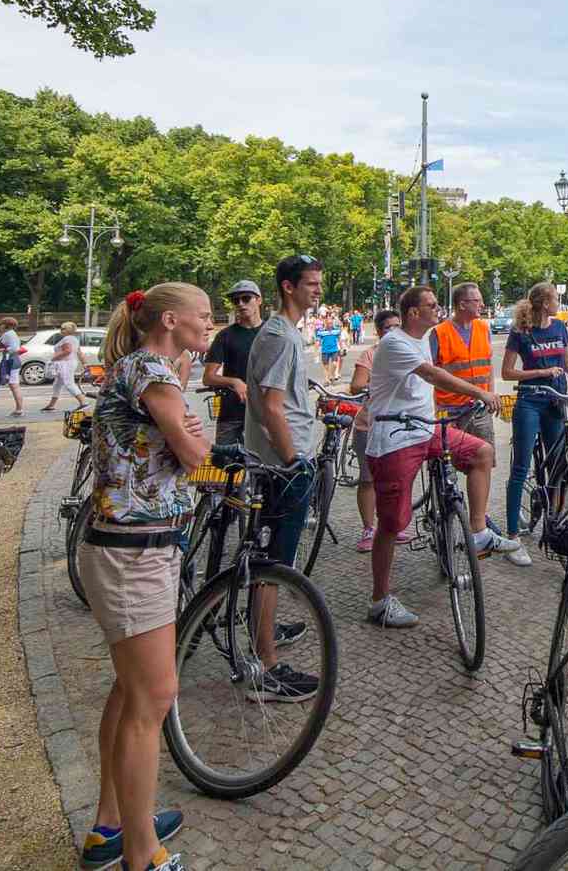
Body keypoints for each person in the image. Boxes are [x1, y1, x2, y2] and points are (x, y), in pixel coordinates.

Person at [78, 283, 213, 871]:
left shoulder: (142, 365)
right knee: (152, 699)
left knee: (129, 691)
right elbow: (194, 453)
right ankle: (142, 854)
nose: (209, 325)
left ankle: (112, 825)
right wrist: (192, 434)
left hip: (124, 546)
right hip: (134, 552)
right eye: (202, 317)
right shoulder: (154, 370)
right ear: (169, 320)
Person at [364, 284, 516, 628]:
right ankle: (379, 600)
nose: (439, 309)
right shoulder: (396, 343)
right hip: (395, 438)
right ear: (414, 313)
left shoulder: (421, 339)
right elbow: (434, 376)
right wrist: (478, 391)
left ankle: (477, 530)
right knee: (392, 524)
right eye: (432, 305)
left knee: (482, 452)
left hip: (425, 429)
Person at [242, 255, 328, 693]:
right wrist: (293, 462)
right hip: (282, 467)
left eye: (318, 283)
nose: (317, 290)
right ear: (287, 287)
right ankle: (267, 668)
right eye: (310, 284)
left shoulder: (282, 333)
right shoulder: (279, 336)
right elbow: (272, 407)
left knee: (271, 559)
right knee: (275, 563)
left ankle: (264, 630)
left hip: (277, 461)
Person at [502, 282, 568, 560]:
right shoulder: (521, 332)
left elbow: (566, 362)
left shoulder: (558, 327)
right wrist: (539, 373)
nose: (558, 303)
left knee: (558, 466)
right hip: (530, 401)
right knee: (521, 466)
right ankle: (513, 537)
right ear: (544, 303)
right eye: (555, 299)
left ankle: (557, 522)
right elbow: (506, 372)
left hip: (557, 401)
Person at [429, 282, 509, 554]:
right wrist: (435, 413)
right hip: (448, 411)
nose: (482, 304)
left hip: (478, 408)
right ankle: (448, 514)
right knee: (446, 470)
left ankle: (479, 523)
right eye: (477, 300)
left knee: (484, 463)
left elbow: (487, 367)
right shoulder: (438, 333)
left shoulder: (483, 329)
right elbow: (430, 375)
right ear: (462, 304)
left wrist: (492, 394)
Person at [347, 307, 404, 552]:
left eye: (396, 326)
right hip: (369, 425)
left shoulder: (406, 352)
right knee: (368, 479)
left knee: (397, 479)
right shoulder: (371, 355)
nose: (393, 331)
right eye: (388, 327)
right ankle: (369, 528)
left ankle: (393, 525)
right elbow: (356, 386)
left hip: (398, 425)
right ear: (380, 331)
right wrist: (381, 381)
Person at [201, 280, 264, 448]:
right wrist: (234, 382)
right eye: (236, 300)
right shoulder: (225, 336)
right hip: (232, 412)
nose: (241, 304)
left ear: (259, 300)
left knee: (267, 466)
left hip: (265, 412)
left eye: (246, 298)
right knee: (227, 463)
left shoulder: (272, 333)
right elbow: (208, 377)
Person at [42, 321, 89, 413]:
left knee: (69, 383)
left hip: (65, 363)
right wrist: (84, 363)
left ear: (68, 330)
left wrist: (53, 358)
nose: (61, 330)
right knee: (57, 384)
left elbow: (67, 351)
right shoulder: (74, 339)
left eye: (63, 328)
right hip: (69, 362)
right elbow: (79, 352)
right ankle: (51, 405)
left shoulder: (67, 339)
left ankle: (83, 402)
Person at [316, 311, 344, 383]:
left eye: (331, 323)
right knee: (326, 367)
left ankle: (331, 375)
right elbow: (318, 342)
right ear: (325, 323)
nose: (330, 325)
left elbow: (340, 340)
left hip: (334, 350)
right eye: (328, 323)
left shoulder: (336, 330)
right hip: (325, 350)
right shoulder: (321, 331)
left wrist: (341, 348)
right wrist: (316, 353)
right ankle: (326, 379)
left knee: (334, 364)